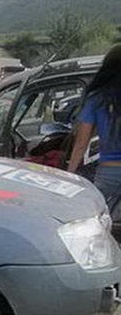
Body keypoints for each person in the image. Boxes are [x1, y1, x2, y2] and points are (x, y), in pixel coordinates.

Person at [68, 44, 121, 210]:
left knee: (96, 217)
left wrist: (69, 175)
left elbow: (81, 144)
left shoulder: (96, 98)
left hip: (109, 173)